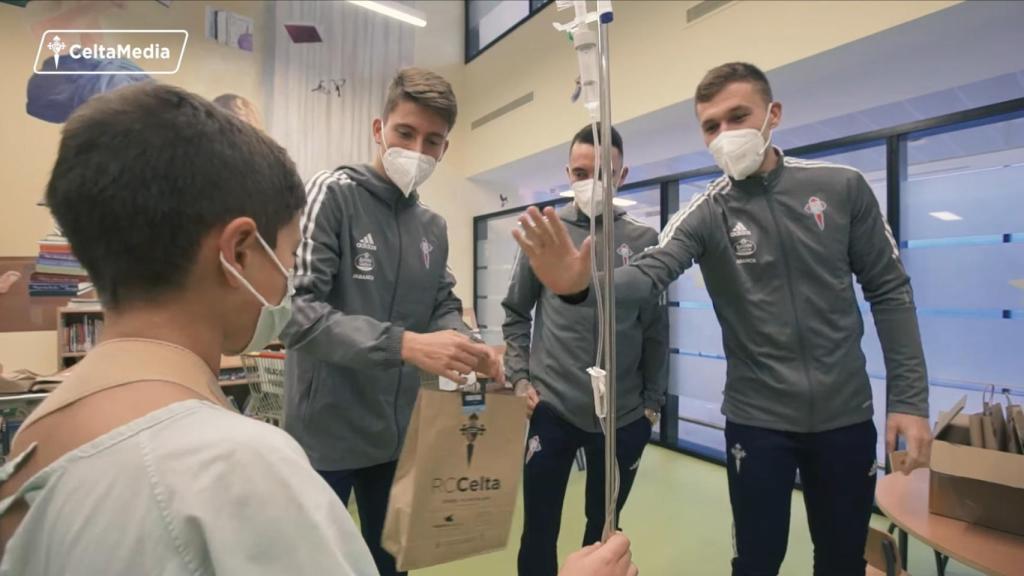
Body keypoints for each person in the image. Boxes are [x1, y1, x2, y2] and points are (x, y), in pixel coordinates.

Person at [511, 62, 932, 576]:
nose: (725, 134)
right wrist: (581, 286)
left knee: (842, 560)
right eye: (711, 126)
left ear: (773, 114)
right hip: (757, 422)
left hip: (845, 415)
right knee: (755, 562)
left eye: (738, 117)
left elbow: (889, 290)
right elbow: (649, 273)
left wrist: (909, 398)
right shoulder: (706, 212)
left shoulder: (841, 187)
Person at [0, 81, 378, 575]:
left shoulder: (34, 438)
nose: (290, 280)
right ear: (239, 251)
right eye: (289, 256)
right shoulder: (241, 465)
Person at [280, 67, 504, 576]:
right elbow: (295, 312)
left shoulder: (432, 227)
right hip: (325, 437)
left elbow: (442, 303)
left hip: (397, 438)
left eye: (432, 141)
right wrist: (404, 345)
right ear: (378, 129)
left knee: (393, 564)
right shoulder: (332, 194)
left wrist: (471, 346)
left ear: (444, 149)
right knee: (317, 565)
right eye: (405, 133)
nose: (417, 150)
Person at [503, 123, 667, 576]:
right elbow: (515, 312)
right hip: (553, 408)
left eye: (602, 173)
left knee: (604, 531)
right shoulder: (546, 232)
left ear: (622, 175)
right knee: (539, 530)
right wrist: (519, 379)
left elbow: (655, 329)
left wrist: (652, 404)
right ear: (567, 173)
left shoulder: (643, 240)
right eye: (580, 172)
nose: (590, 182)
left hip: (623, 416)